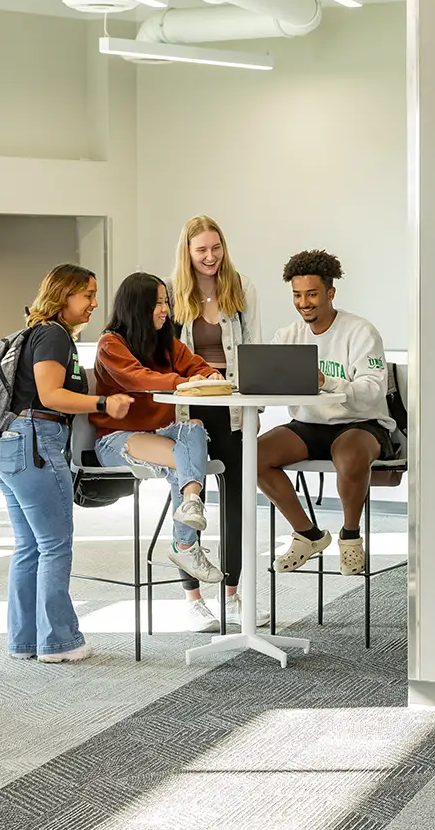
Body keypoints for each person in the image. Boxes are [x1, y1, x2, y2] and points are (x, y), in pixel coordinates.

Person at [0, 263, 133, 664]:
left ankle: (25, 640)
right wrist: (104, 403)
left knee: (30, 546)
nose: (94, 303)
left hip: (8, 444)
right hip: (36, 442)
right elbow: (51, 395)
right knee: (54, 546)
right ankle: (59, 642)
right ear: (63, 296)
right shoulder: (52, 334)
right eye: (87, 294)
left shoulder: (36, 333)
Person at [257, 250, 398, 576]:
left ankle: (350, 537)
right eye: (297, 295)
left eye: (311, 294)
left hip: (359, 423)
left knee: (348, 456)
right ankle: (308, 534)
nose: (303, 302)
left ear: (330, 293)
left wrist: (328, 382)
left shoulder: (361, 332)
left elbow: (373, 390)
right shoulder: (287, 336)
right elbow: (270, 380)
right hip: (309, 424)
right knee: (252, 455)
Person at [91, 272, 227, 590]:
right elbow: (139, 379)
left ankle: (190, 505)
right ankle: (185, 546)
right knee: (183, 453)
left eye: (166, 302)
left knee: (193, 428)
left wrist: (208, 376)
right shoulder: (110, 344)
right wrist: (184, 382)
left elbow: (198, 366)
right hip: (114, 440)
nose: (165, 310)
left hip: (156, 434)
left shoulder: (168, 344)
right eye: (158, 303)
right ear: (137, 307)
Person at [167, 214, 267, 631]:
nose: (210, 256)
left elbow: (255, 347)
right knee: (188, 498)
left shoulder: (241, 288)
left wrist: (253, 408)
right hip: (189, 408)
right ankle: (193, 599)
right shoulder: (171, 295)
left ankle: (232, 593)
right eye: (201, 250)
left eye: (216, 247)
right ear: (187, 254)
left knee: (238, 501)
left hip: (232, 404)